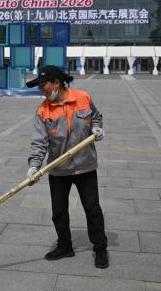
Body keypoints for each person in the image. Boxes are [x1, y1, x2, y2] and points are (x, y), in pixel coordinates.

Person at [26, 65, 109, 269]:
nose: (41, 91)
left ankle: (100, 248)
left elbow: (96, 116)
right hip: (59, 169)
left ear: (56, 83)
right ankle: (65, 246)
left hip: (85, 166)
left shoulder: (83, 97)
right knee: (59, 211)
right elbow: (39, 143)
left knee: (92, 209)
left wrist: (97, 128)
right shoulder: (43, 111)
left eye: (43, 86)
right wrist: (34, 167)